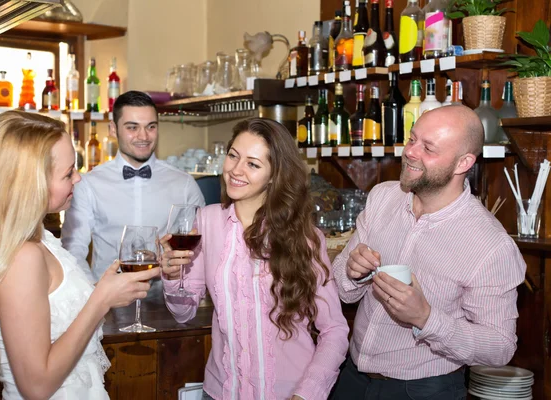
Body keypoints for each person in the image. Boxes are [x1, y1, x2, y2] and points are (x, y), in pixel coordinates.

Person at [0, 111, 159, 399]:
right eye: (68, 172)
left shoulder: (39, 238)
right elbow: (36, 386)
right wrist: (101, 300)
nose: (78, 178)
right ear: (29, 183)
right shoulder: (22, 257)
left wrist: (106, 290)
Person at [330, 105, 526, 400]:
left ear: (463, 163)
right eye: (412, 139)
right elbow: (344, 292)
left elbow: (499, 347)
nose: (410, 152)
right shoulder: (384, 197)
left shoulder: (491, 245)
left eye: (428, 148)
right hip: (353, 377)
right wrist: (351, 270)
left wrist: (426, 318)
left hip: (423, 389)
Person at [160, 118, 349, 400]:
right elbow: (183, 312)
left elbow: (334, 330)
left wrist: (307, 393)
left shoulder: (305, 237)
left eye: (253, 164)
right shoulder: (206, 221)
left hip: (289, 393)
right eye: (233, 156)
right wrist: (174, 276)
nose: (236, 170)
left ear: (275, 175)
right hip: (221, 392)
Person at [62, 90, 205, 282]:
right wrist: (94, 297)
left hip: (166, 299)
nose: (143, 136)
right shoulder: (88, 184)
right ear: (113, 129)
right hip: (108, 301)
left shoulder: (185, 184)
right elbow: (73, 252)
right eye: (132, 127)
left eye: (151, 127)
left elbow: (199, 250)